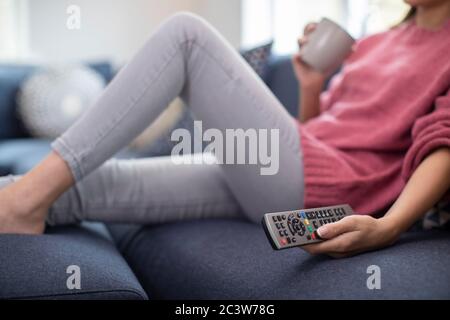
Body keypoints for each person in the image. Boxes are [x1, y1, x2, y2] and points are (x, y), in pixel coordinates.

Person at [0, 0, 449, 258]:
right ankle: (18, 203)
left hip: (328, 190)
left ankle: (21, 199)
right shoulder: (375, 42)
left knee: (186, 35)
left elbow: (442, 141)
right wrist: (311, 86)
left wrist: (389, 227)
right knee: (89, 188)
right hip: (289, 170)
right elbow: (323, 131)